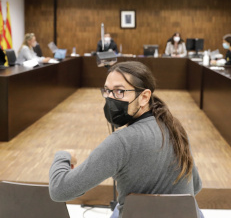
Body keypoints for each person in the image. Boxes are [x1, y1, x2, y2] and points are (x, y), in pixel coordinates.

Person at [49, 61, 204, 218]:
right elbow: (196, 186)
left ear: (144, 97)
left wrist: (63, 156)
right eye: (107, 91)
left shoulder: (121, 142)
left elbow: (59, 190)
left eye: (119, 91)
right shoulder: (175, 127)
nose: (110, 98)